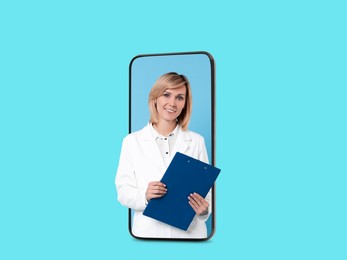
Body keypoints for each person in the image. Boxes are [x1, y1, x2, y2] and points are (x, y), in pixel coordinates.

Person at [115, 72, 211, 238]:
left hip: (190, 235)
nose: (172, 103)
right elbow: (123, 191)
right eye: (166, 95)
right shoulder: (132, 141)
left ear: (184, 104)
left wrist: (204, 210)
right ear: (155, 98)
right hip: (148, 234)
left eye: (180, 97)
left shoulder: (196, 141)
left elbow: (207, 193)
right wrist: (145, 195)